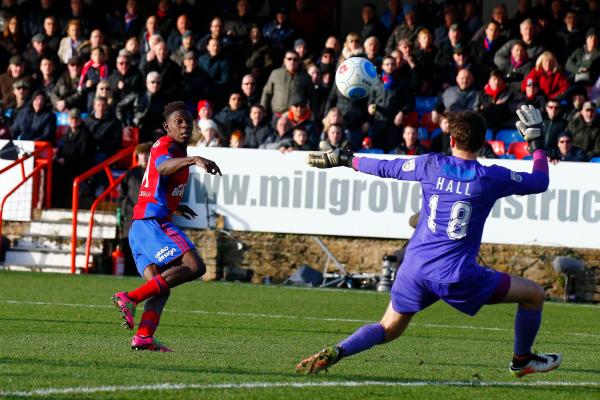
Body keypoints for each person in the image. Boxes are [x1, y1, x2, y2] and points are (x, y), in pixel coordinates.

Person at [297, 105, 561, 378]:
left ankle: (339, 350)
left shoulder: (431, 164)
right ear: (483, 143)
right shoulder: (491, 177)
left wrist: (344, 159)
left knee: (387, 328)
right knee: (533, 295)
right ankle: (522, 360)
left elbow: (385, 167)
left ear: (451, 140)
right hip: (456, 275)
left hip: (415, 269)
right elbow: (540, 181)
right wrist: (537, 144)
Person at [112, 101, 222, 352]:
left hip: (140, 228)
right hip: (151, 224)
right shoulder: (164, 145)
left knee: (162, 287)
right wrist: (195, 159)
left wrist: (175, 207)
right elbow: (162, 167)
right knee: (196, 266)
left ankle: (143, 337)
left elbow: (156, 183)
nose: (185, 126)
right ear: (167, 127)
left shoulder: (178, 153)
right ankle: (129, 298)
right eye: (178, 122)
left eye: (188, 122)